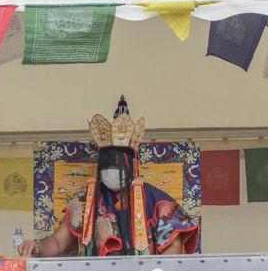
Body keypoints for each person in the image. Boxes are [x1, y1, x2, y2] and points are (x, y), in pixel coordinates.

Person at [17, 96, 199, 257]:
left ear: (131, 166)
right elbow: (57, 243)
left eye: (117, 166)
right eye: (106, 166)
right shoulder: (84, 204)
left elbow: (173, 249)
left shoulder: (158, 202)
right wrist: (38, 247)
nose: (111, 171)